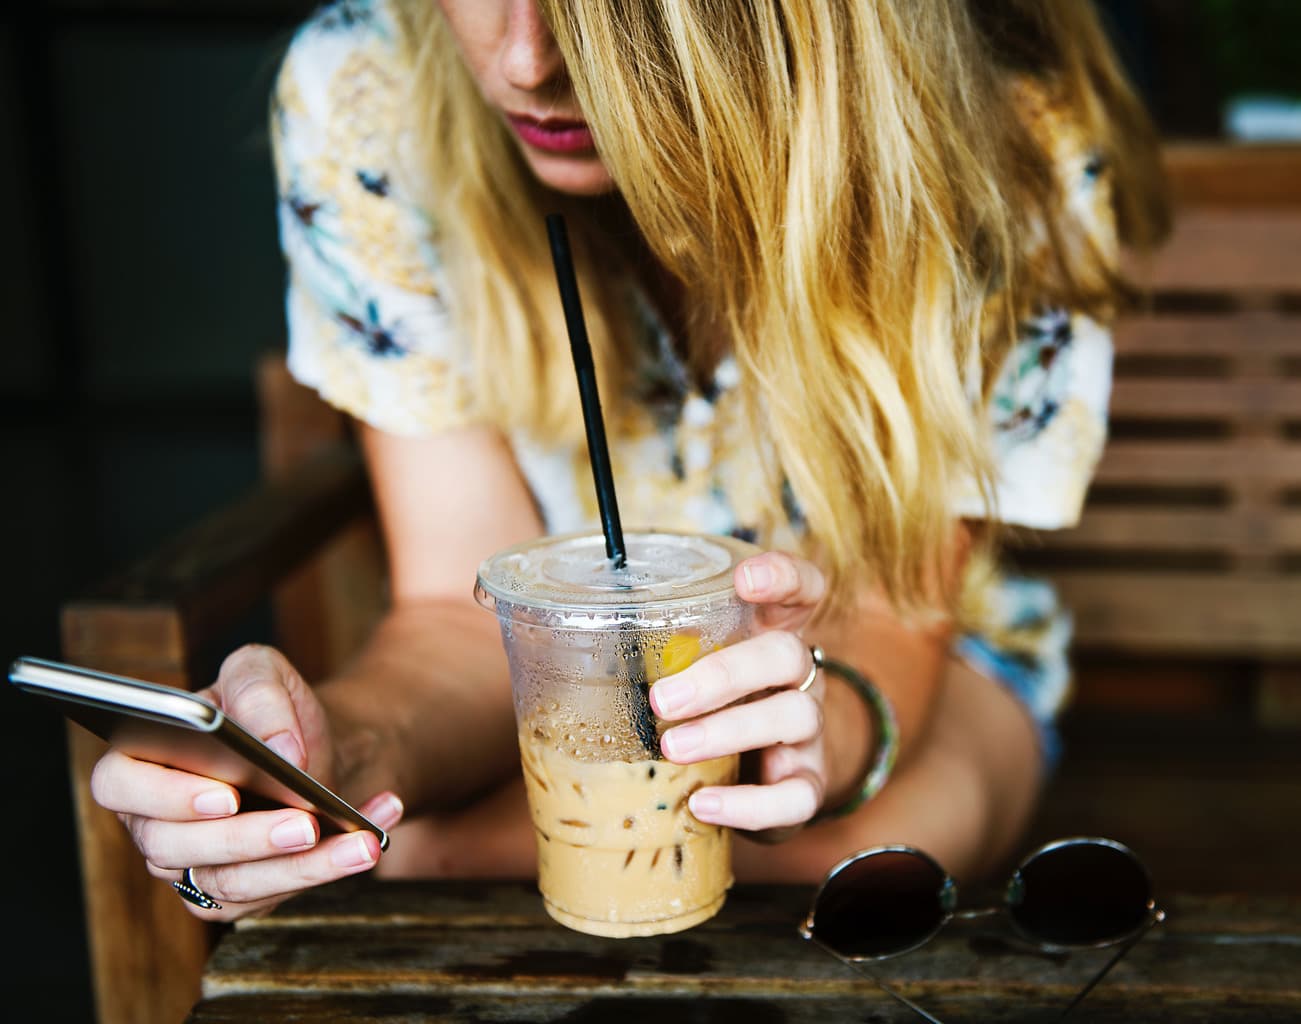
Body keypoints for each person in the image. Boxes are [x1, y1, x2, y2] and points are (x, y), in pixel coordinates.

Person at [90, 0, 1169, 921]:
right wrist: (339, 762)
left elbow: (896, 612)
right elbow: (462, 613)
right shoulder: (368, 91)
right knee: (436, 848)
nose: (523, 61)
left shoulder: (1004, 140)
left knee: (836, 865)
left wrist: (818, 732)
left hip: (909, 662)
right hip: (559, 691)